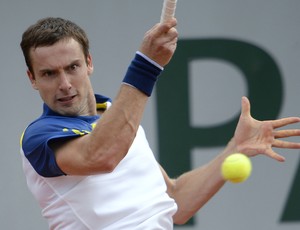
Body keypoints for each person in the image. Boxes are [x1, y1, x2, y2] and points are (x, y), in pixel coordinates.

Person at [19, 17, 300, 230]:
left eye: (72, 67)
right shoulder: (40, 137)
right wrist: (146, 65)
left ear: (89, 62)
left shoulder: (115, 116)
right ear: (32, 79)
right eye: (49, 74)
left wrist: (235, 149)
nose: (65, 84)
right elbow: (101, 156)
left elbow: (174, 201)